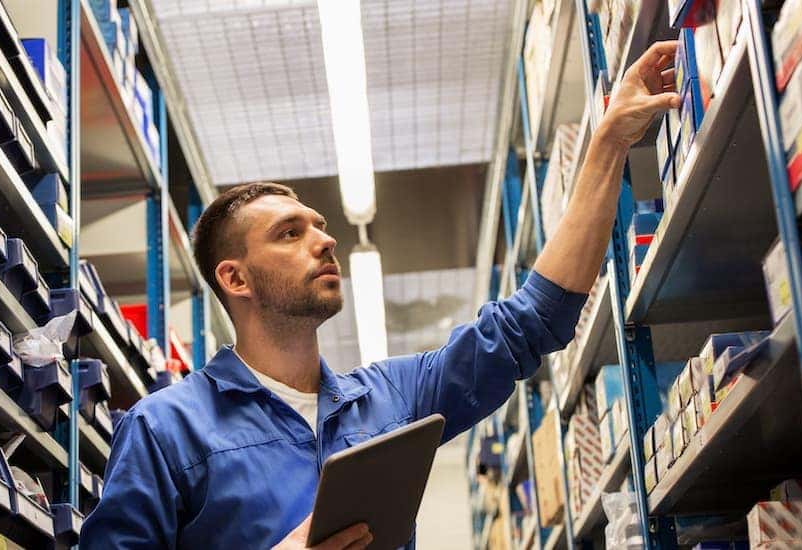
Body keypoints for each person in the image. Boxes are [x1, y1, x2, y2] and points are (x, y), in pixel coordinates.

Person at [80, 40, 683, 549]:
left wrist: (608, 142)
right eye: (290, 233)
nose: (324, 242)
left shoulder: (390, 400)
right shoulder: (164, 430)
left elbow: (534, 321)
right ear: (235, 279)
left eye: (320, 226)